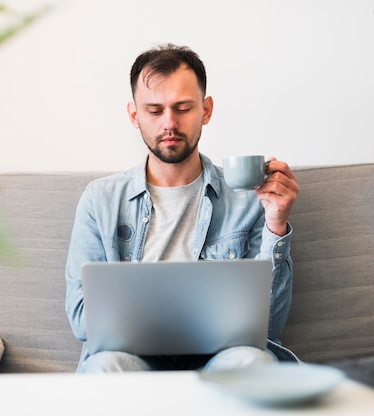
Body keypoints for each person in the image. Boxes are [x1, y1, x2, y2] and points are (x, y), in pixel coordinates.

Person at [65, 43, 299, 373]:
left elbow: (268, 328)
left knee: (252, 361)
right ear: (135, 115)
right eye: (155, 110)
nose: (169, 123)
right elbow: (81, 320)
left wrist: (276, 223)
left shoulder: (249, 199)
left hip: (221, 359)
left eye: (183, 108)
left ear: (206, 110)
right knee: (105, 365)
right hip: (130, 358)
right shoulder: (100, 200)